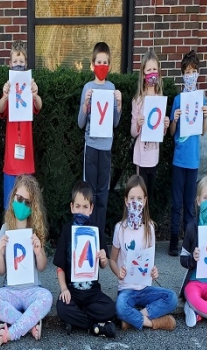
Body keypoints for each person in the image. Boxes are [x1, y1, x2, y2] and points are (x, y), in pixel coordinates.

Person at [0, 174, 53, 346]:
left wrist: (39, 252)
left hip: (32, 289)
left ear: (33, 206)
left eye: (27, 202)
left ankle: (13, 332)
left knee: (46, 297)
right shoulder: (5, 229)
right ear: (13, 197)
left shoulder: (35, 230)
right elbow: (0, 270)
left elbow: (42, 267)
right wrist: (0, 252)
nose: (22, 204)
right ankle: (30, 324)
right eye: (19, 199)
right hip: (10, 290)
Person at [109, 175, 177, 331]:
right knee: (120, 306)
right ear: (126, 201)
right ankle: (154, 323)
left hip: (145, 287)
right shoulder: (120, 228)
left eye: (139, 198)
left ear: (145, 201)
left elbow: (149, 262)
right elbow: (112, 260)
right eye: (132, 198)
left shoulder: (149, 228)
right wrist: (118, 271)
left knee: (171, 298)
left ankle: (134, 318)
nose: (135, 202)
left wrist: (154, 271)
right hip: (126, 288)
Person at [53, 180, 116, 337]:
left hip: (92, 292)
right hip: (72, 291)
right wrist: (64, 289)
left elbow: (104, 265)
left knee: (110, 308)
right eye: (78, 206)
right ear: (72, 207)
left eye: (85, 207)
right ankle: (95, 325)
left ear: (91, 208)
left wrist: (103, 259)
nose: (81, 211)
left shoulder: (96, 230)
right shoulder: (67, 231)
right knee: (62, 307)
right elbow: (60, 267)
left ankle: (78, 322)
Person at [77, 42, 122, 241]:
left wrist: (119, 104)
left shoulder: (112, 88)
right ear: (93, 64)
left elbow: (114, 122)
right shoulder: (88, 87)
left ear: (109, 66)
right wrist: (86, 104)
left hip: (106, 147)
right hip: (91, 146)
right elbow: (80, 123)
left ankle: (100, 238)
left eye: (105, 62)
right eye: (98, 62)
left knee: (103, 195)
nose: (102, 65)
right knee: (89, 193)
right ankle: (87, 234)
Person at [168, 50, 207, 256]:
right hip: (179, 159)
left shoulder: (202, 99)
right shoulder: (177, 99)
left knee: (189, 205)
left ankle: (189, 242)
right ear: (182, 74)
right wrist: (174, 118)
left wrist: (205, 116)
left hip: (192, 161)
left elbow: (202, 131)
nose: (190, 74)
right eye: (187, 71)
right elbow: (172, 132)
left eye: (193, 71)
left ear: (198, 73)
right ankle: (174, 240)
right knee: (176, 202)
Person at [0, 40, 42, 209]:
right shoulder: (8, 87)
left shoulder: (29, 86)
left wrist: (35, 94)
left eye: (21, 62)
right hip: (11, 161)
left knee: (26, 206)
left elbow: (38, 106)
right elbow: (1, 110)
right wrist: (5, 96)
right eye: (15, 62)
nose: (18, 65)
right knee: (9, 206)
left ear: (26, 64)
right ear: (10, 64)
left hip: (26, 160)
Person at [130, 50, 170, 207]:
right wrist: (138, 124)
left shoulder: (160, 99)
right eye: (149, 70)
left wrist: (165, 126)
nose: (152, 73)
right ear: (143, 74)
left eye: (155, 69)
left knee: (149, 195)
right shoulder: (138, 100)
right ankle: (139, 224)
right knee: (140, 194)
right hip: (141, 158)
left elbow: (160, 131)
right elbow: (133, 132)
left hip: (154, 156)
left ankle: (148, 226)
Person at [180, 175, 207, 327]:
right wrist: (192, 257)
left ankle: (196, 313)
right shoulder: (192, 227)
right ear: (198, 201)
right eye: (205, 198)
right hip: (194, 282)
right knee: (192, 295)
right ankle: (193, 306)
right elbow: (182, 258)